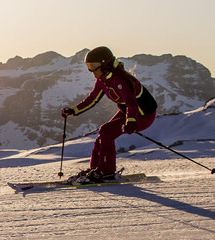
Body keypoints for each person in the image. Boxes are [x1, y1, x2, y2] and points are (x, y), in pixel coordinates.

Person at [60, 46, 158, 184]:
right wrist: (74, 110)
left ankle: (106, 173)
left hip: (142, 115)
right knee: (102, 136)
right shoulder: (103, 80)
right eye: (88, 66)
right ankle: (96, 170)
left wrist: (131, 121)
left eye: (93, 66)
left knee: (106, 131)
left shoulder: (120, 80)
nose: (91, 70)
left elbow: (131, 103)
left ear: (105, 64)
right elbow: (92, 99)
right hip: (129, 113)